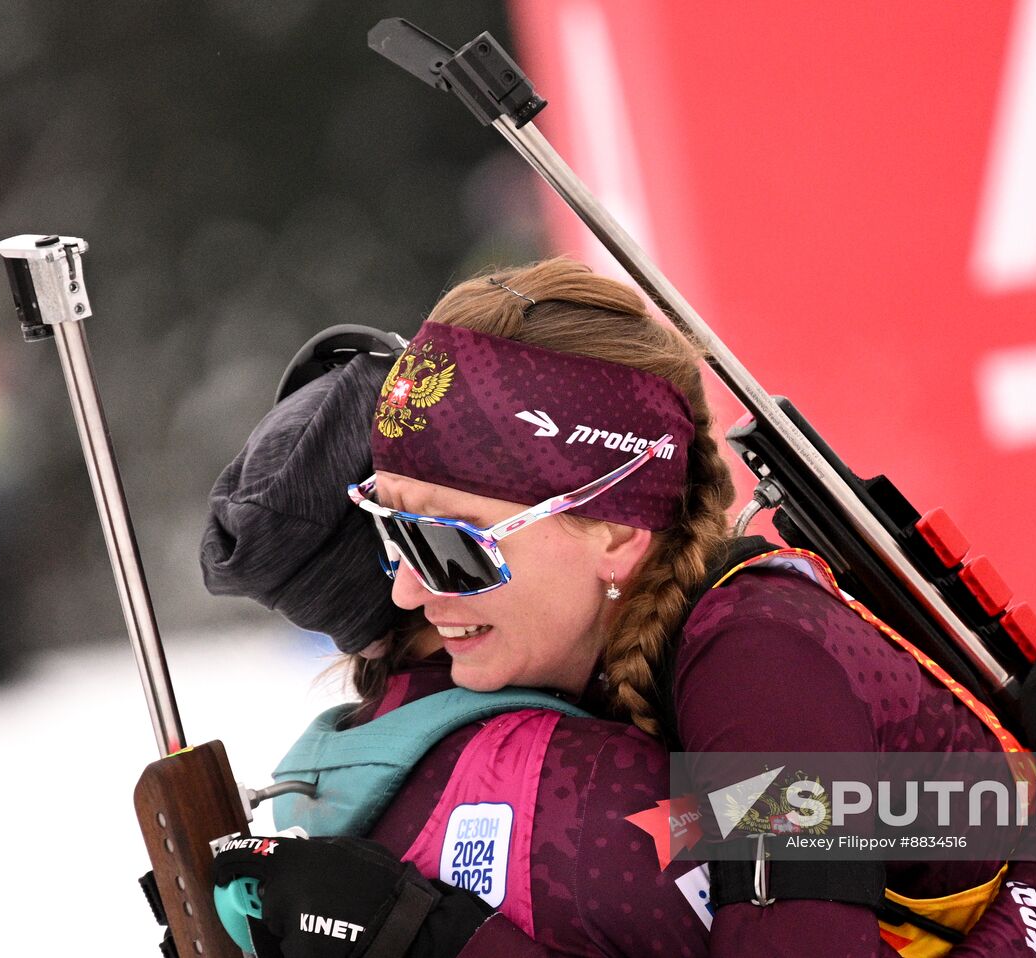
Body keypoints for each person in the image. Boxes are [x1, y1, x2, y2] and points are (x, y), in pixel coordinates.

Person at [212, 263, 1036, 958]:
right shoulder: (601, 655)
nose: (409, 589)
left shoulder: (760, 672)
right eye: (393, 530)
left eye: (452, 545)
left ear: (616, 533)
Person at [201, 345, 712, 958]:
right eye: (427, 536)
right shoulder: (592, 783)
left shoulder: (316, 790)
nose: (408, 581)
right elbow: (835, 832)